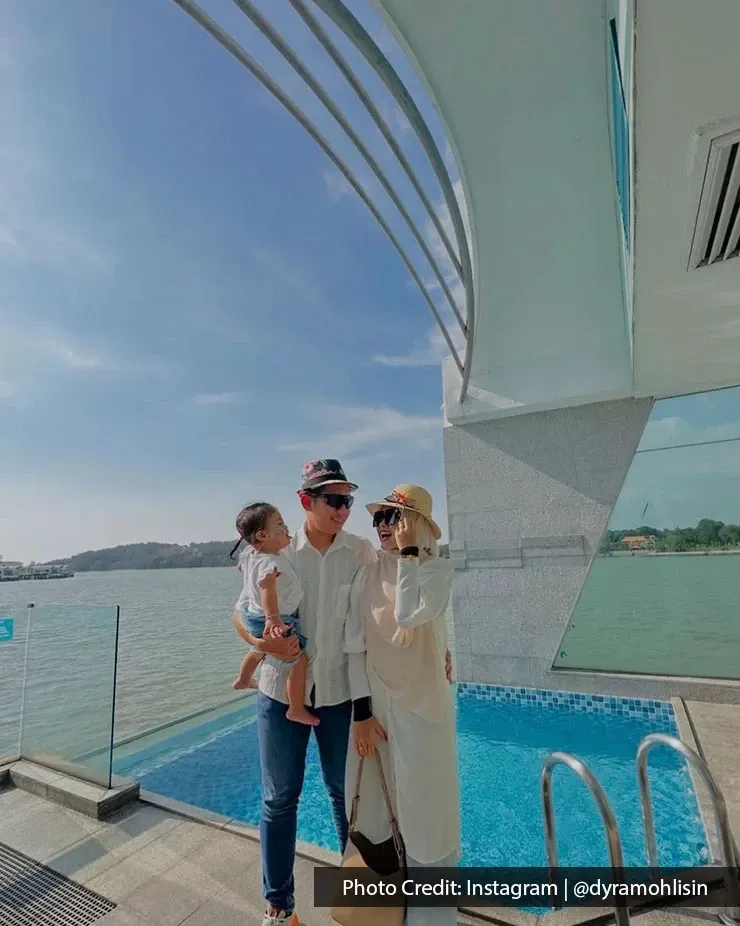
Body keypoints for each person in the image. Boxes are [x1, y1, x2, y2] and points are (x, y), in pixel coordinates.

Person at [231, 459, 379, 926]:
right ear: (305, 502)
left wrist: (439, 646)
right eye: (334, 500)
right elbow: (239, 610)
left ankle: (355, 902)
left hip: (338, 695)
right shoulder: (276, 550)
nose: (343, 509)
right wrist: (257, 641)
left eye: (348, 500)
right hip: (279, 693)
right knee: (279, 799)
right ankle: (280, 908)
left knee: (344, 793)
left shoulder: (361, 553)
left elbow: (387, 607)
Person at [345, 484, 461, 926]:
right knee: (376, 811)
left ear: (418, 528)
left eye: (396, 518)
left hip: (422, 711)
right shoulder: (365, 575)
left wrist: (410, 554)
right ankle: (375, 914)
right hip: (376, 708)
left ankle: (431, 919)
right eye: (379, 519)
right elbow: (355, 647)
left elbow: (409, 616)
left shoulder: (435, 571)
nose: (385, 528)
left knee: (428, 813)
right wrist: (360, 712)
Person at [230, 502, 318, 727]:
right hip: (274, 617)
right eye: (280, 525)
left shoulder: (250, 554)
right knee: (299, 660)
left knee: (259, 647)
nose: (286, 527)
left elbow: (241, 566)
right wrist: (273, 619)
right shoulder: (270, 562)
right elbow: (267, 590)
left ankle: (243, 679)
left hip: (253, 615)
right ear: (262, 535)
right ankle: (296, 708)